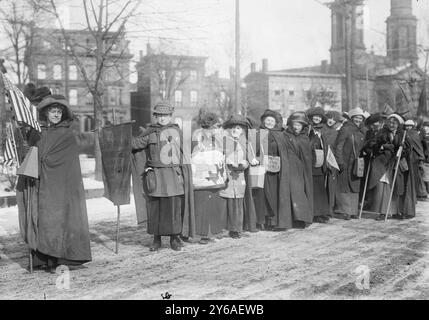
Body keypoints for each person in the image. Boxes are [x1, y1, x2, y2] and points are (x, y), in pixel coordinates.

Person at [17, 95, 92, 271]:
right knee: (45, 220)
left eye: (59, 111)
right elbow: (31, 152)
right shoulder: (37, 132)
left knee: (61, 220)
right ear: (46, 113)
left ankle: (60, 260)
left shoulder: (67, 133)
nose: (56, 114)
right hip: (42, 185)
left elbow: (70, 158)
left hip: (63, 187)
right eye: (53, 111)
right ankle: (44, 259)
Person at [131, 101, 195, 251]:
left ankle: (174, 238)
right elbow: (135, 144)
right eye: (159, 115)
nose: (162, 118)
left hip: (173, 175)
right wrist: (120, 135)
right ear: (156, 116)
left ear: (170, 116)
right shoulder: (150, 133)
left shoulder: (177, 133)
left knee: (173, 207)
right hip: (156, 177)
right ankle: (156, 239)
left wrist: (185, 174)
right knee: (155, 208)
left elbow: (186, 153)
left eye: (165, 115)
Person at [367, 113, 416, 220]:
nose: (392, 125)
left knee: (396, 187)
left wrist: (402, 149)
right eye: (390, 122)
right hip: (382, 163)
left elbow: (408, 149)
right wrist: (381, 146)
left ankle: (395, 211)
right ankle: (383, 212)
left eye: (394, 123)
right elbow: (371, 145)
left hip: (396, 165)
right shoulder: (381, 133)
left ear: (398, 124)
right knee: (382, 187)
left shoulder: (403, 134)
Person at [252, 109, 292, 231]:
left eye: (272, 120)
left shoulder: (281, 135)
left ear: (275, 123)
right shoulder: (257, 134)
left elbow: (285, 152)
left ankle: (274, 221)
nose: (269, 122)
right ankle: (261, 221)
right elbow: (253, 151)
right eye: (267, 120)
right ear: (263, 121)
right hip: (262, 171)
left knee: (275, 195)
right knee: (262, 196)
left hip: (276, 171)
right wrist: (257, 159)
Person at [220, 115, 259, 239]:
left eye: (238, 128)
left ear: (242, 130)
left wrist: (246, 163)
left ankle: (237, 228)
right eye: (233, 128)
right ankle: (225, 228)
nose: (235, 130)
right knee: (227, 201)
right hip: (227, 175)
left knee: (238, 203)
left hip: (240, 176)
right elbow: (219, 157)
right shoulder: (224, 141)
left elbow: (252, 159)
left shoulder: (246, 144)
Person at [191, 111, 226, 244]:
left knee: (215, 203)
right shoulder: (197, 136)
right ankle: (203, 233)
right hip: (201, 176)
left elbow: (222, 152)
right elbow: (194, 154)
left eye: (214, 127)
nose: (211, 131)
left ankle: (215, 232)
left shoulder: (219, 137)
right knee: (203, 204)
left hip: (216, 175)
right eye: (208, 128)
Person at [333, 107, 366, 220]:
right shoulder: (346, 129)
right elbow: (339, 145)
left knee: (355, 186)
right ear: (352, 118)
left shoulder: (361, 131)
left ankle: (353, 211)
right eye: (356, 117)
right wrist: (340, 161)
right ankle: (345, 211)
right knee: (345, 186)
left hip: (356, 163)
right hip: (346, 162)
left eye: (360, 118)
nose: (358, 120)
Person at [283, 112, 313, 228]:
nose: (296, 127)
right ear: (290, 124)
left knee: (302, 192)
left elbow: (307, 155)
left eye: (299, 125)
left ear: (303, 126)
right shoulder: (285, 136)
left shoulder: (304, 137)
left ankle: (302, 218)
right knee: (294, 192)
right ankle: (296, 218)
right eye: (295, 124)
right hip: (291, 169)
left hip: (303, 170)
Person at [307, 107, 331, 223]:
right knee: (313, 189)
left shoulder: (322, 131)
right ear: (311, 117)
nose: (317, 118)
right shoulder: (308, 129)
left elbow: (325, 146)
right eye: (315, 116)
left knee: (320, 189)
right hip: (311, 164)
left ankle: (321, 212)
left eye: (319, 117)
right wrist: (313, 136)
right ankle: (313, 213)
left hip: (320, 163)